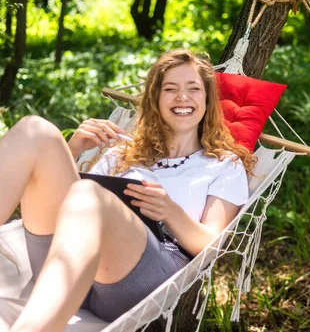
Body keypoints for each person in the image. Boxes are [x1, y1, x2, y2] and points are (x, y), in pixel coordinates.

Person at [0, 49, 255, 332]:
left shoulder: (223, 165)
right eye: (171, 89)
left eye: (193, 89)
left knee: (89, 195)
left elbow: (212, 244)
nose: (183, 97)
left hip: (139, 278)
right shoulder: (123, 150)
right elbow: (72, 206)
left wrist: (170, 212)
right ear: (155, 100)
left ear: (207, 101)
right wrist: (70, 150)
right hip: (64, 266)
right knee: (35, 130)